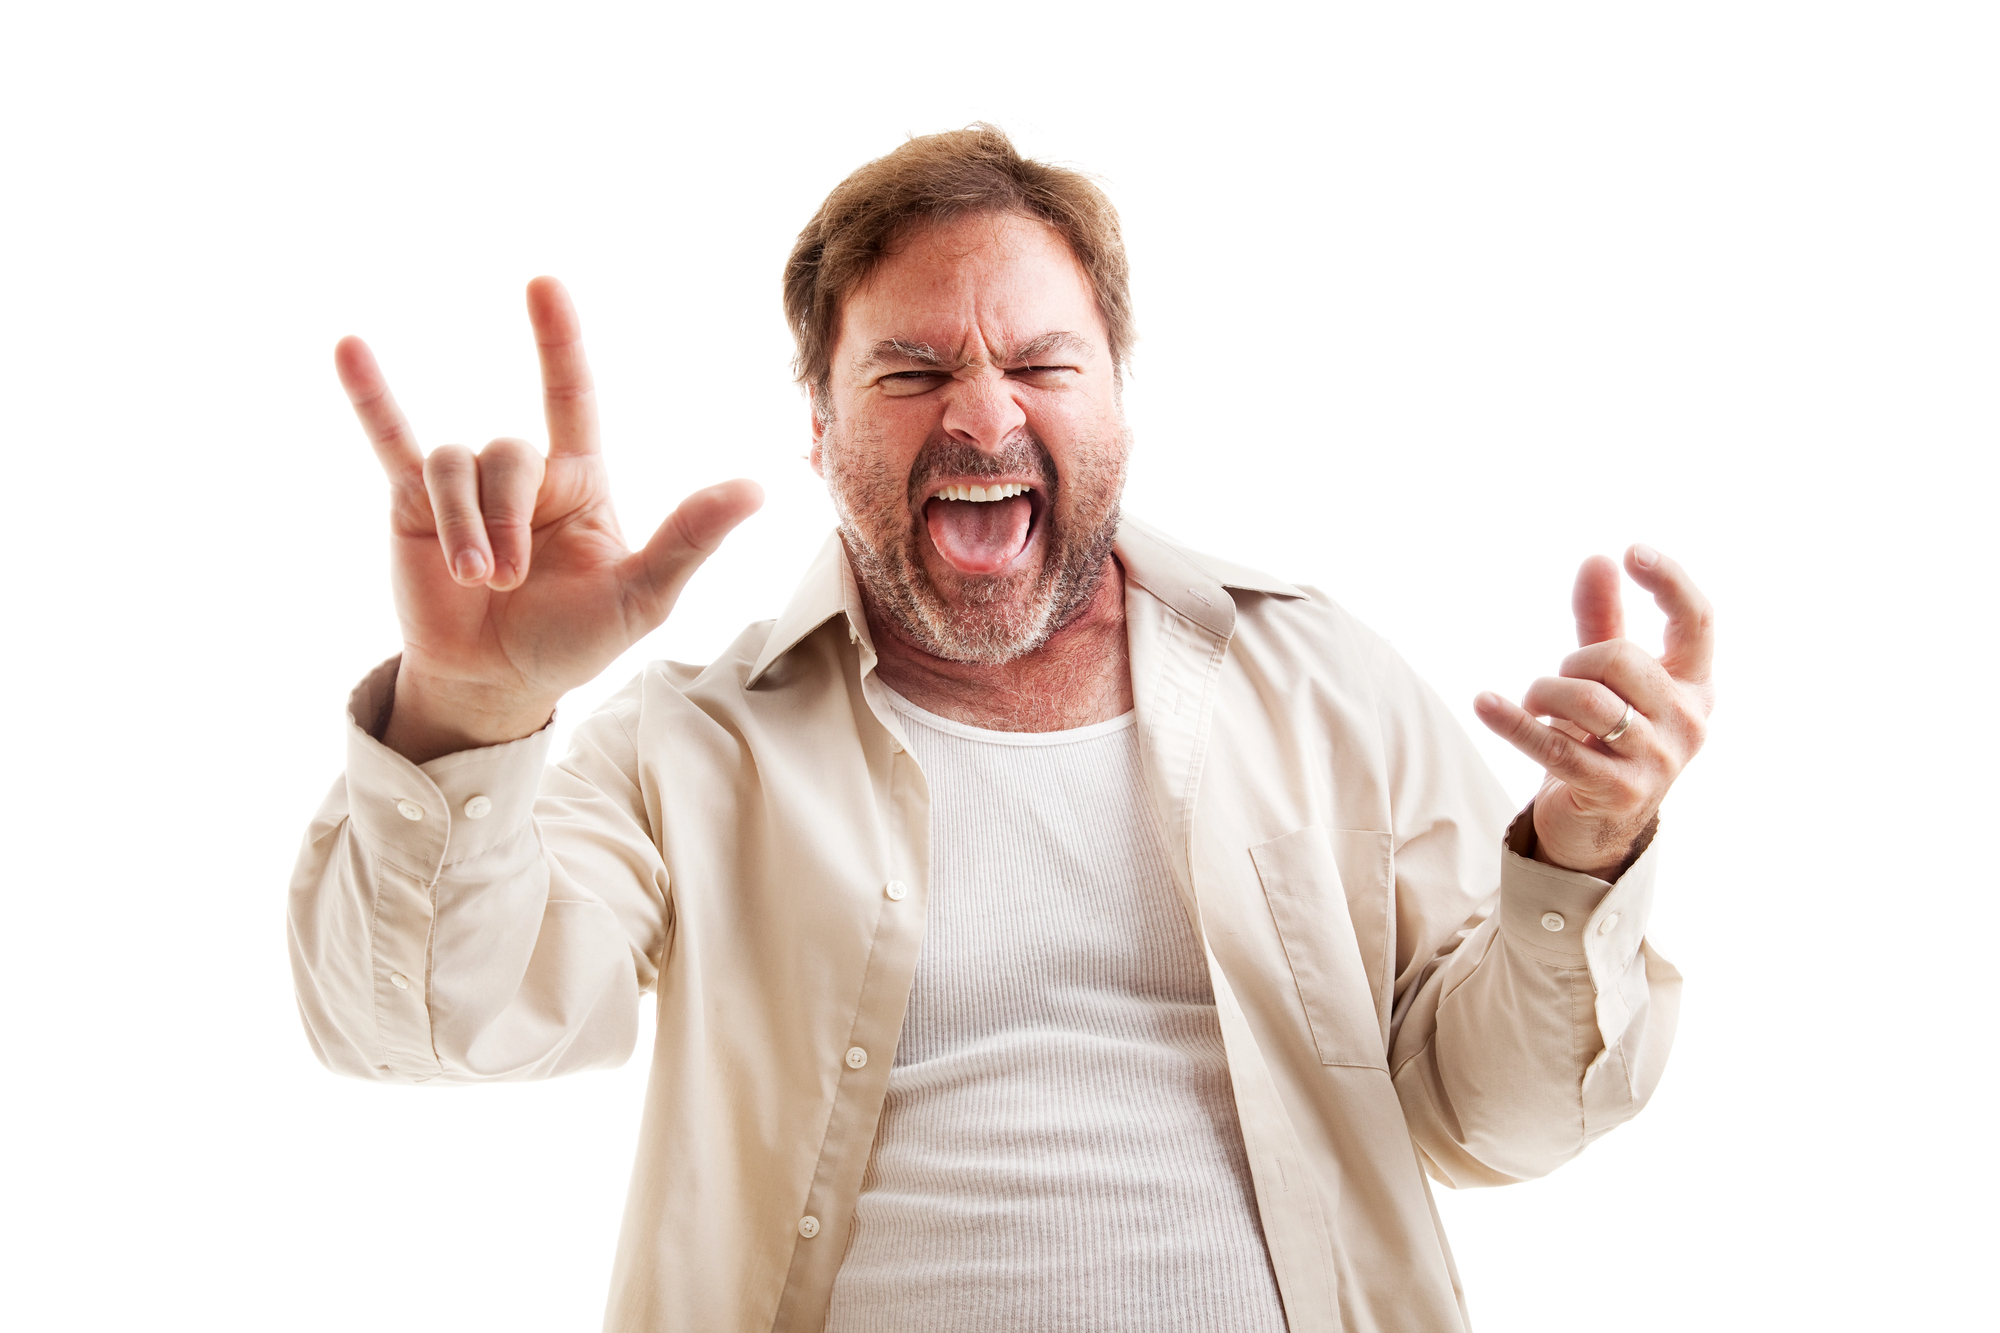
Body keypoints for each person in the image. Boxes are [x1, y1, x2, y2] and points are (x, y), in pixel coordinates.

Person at [290, 125, 1712, 1333]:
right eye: (909, 372)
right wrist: (472, 709)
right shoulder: (692, 745)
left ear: (1118, 408)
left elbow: (1504, 1116)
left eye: (1041, 363)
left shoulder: (1319, 678)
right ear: (819, 427)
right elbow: (425, 1024)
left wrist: (1579, 858)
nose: (982, 413)